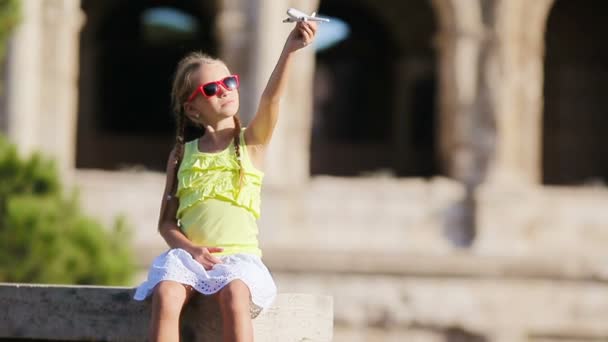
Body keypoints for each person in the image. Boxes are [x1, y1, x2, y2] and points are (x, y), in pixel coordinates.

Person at [132, 18, 318, 342]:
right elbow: (166, 223)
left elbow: (271, 101)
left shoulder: (251, 144)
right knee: (166, 294)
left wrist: (290, 49)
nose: (224, 91)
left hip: (238, 259)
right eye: (211, 89)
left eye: (229, 82)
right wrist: (191, 249)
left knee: (234, 296)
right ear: (193, 111)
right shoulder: (181, 155)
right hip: (190, 259)